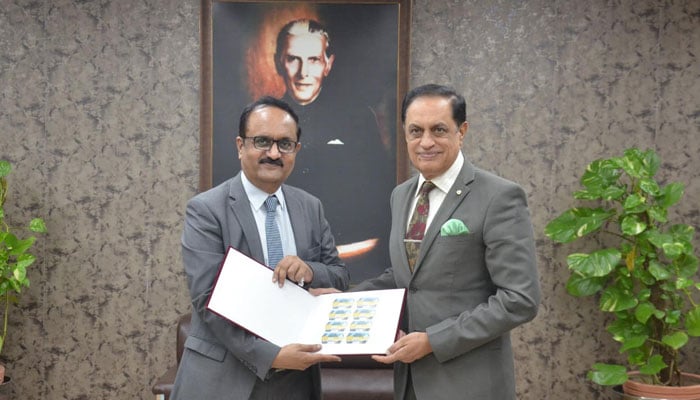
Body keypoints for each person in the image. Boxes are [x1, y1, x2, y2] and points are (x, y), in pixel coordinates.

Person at [314, 84, 541, 399]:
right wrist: (340, 301)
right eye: (415, 131)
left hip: (469, 384)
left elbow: (519, 300)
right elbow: (407, 276)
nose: (426, 142)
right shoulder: (402, 195)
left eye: (439, 130)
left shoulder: (499, 197)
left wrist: (434, 340)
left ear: (462, 131)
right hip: (408, 384)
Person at [171, 96, 350, 400]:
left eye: (285, 144)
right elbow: (208, 298)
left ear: (296, 150)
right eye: (262, 141)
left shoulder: (310, 207)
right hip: (223, 381)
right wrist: (271, 355)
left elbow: (339, 276)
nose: (273, 153)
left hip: (295, 382)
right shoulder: (206, 210)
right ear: (240, 146)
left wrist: (310, 271)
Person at [273, 18, 395, 281]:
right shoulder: (263, 122)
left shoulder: (357, 118)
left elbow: (379, 189)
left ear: (328, 64)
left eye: (314, 60)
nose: (303, 72)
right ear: (278, 62)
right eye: (293, 59)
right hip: (282, 265)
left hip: (352, 261)